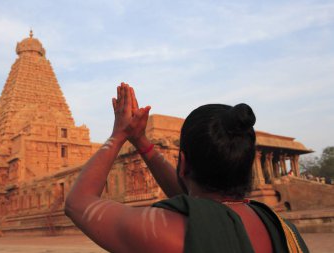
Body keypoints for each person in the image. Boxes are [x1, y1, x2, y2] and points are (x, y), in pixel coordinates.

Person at [65, 83, 309, 253]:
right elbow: (193, 200)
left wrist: (119, 135)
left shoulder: (167, 232)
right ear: (246, 163)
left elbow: (78, 202)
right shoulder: (281, 227)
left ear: (183, 164)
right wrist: (142, 142)